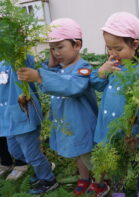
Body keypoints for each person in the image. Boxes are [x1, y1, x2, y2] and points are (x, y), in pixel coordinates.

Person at [89, 12, 139, 197]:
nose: (113, 54)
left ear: (134, 44)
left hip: (137, 129)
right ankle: (118, 191)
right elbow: (98, 85)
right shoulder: (111, 65)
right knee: (116, 162)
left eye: (118, 48)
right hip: (112, 129)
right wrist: (101, 72)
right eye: (109, 48)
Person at [17, 18, 98, 196]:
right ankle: (84, 179)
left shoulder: (82, 68)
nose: (56, 52)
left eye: (60, 47)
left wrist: (40, 77)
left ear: (77, 45)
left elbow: (73, 87)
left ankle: (101, 181)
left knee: (89, 156)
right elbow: (55, 80)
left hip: (82, 123)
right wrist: (50, 66)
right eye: (52, 48)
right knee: (78, 153)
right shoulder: (60, 68)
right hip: (68, 122)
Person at [0, 55, 57, 195]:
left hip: (23, 115)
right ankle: (44, 166)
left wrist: (16, 48)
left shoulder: (17, 59)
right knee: (15, 151)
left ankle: (48, 180)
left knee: (31, 154)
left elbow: (25, 59)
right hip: (8, 118)